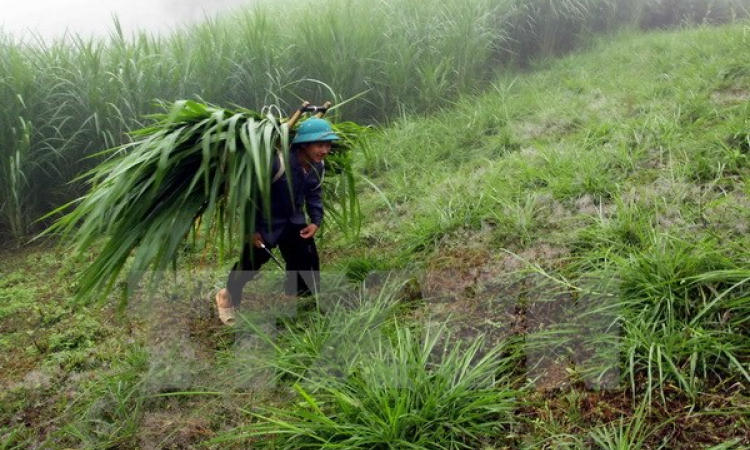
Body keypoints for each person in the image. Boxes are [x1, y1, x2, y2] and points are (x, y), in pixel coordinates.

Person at [215, 118, 339, 325]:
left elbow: (314, 194)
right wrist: (251, 229)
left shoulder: (318, 167)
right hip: (265, 221)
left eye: (328, 145)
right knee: (250, 264)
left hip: (293, 219)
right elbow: (250, 195)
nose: (324, 150)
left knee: (305, 259)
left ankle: (297, 301)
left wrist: (315, 221)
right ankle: (226, 296)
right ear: (304, 144)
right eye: (319, 145)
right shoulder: (277, 163)